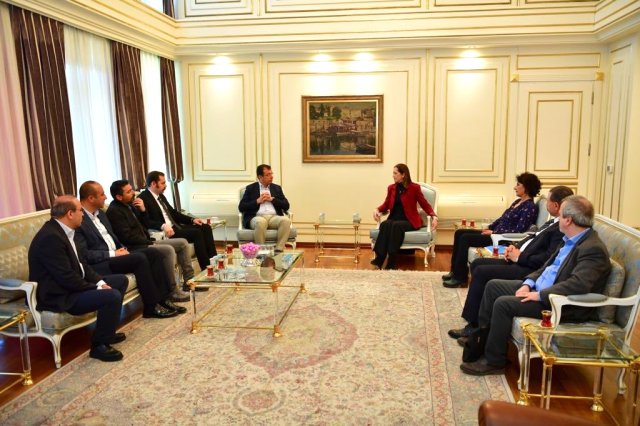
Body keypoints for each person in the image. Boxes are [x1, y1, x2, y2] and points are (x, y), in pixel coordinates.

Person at [460, 195, 611, 376]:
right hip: (539, 289)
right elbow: (545, 267)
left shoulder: (592, 248)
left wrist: (539, 295)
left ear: (568, 220)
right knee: (493, 286)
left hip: (557, 304)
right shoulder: (569, 239)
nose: (557, 219)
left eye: (560, 215)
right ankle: (481, 341)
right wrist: (528, 283)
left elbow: (578, 284)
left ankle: (494, 361)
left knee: (503, 304)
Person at [448, 186, 574, 340]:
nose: (545, 203)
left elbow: (546, 259)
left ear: (556, 205)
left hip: (528, 267)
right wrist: (515, 247)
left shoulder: (561, 229)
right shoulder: (552, 222)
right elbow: (532, 237)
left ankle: (474, 327)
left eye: (547, 200)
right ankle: (474, 317)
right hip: (519, 259)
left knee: (481, 271)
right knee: (478, 264)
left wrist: (519, 257)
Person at [28, 195, 128, 362]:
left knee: (120, 281)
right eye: (80, 210)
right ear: (70, 214)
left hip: (72, 286)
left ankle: (107, 332)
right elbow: (65, 277)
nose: (83, 214)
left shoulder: (66, 231)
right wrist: (96, 288)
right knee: (111, 296)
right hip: (60, 294)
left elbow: (82, 265)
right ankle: (99, 346)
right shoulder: (50, 237)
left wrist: (100, 282)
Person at [75, 181, 186, 318]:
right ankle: (151, 307)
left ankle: (164, 299)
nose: (106, 197)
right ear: (91, 198)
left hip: (117, 254)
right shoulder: (78, 219)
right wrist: (113, 253)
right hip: (102, 262)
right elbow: (84, 254)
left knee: (154, 253)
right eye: (102, 194)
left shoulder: (101, 214)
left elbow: (114, 237)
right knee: (139, 258)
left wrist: (121, 249)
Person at [443, 172, 542, 288]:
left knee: (465, 238)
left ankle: (460, 278)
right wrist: (490, 227)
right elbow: (502, 219)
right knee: (460, 233)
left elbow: (519, 230)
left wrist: (494, 232)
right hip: (494, 233)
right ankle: (454, 271)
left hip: (501, 238)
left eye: (518, 185)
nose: (515, 187)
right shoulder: (517, 202)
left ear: (526, 188)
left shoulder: (530, 207)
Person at [106, 180, 196, 296]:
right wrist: (149, 242)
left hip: (146, 241)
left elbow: (145, 224)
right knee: (168, 249)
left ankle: (189, 282)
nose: (133, 193)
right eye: (129, 192)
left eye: (132, 189)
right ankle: (172, 291)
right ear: (119, 197)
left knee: (182, 243)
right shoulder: (114, 211)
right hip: (136, 246)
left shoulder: (130, 205)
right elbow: (127, 237)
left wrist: (143, 210)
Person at [139, 171, 216, 270]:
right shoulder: (143, 198)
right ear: (153, 184)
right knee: (196, 233)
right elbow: (146, 221)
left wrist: (192, 220)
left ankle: (214, 261)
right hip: (166, 232)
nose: (165, 185)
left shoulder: (160, 196)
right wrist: (162, 225)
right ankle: (206, 268)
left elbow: (174, 214)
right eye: (163, 183)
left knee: (205, 227)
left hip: (175, 227)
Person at [371, 163, 438, 270]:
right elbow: (386, 204)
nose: (393, 175)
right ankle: (380, 257)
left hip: (409, 220)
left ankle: (392, 260)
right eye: (393, 173)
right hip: (394, 218)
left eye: (395, 173)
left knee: (396, 226)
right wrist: (377, 209)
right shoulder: (391, 188)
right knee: (385, 224)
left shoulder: (414, 188)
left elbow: (424, 204)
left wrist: (434, 216)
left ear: (403, 175)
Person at [238, 164, 291, 252]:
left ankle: (279, 249)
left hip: (273, 218)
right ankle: (261, 251)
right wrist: (257, 201)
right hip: (256, 217)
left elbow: (286, 205)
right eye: (268, 175)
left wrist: (273, 200)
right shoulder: (251, 188)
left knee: (286, 221)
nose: (271, 176)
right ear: (260, 177)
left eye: (271, 174)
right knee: (261, 222)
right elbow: (241, 207)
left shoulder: (277, 188)